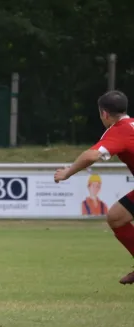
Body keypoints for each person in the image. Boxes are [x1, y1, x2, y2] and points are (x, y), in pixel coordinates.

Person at [54, 90, 134, 284]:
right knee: (117, 217)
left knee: (117, 217)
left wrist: (67, 172)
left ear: (104, 113)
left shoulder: (119, 130)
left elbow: (92, 155)